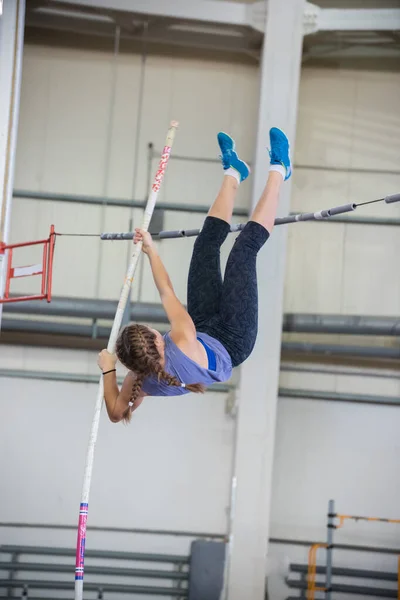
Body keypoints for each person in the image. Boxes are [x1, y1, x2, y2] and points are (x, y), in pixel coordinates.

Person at [98, 127, 291, 423]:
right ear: (158, 341)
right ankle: (279, 169)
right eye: (153, 332)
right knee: (244, 250)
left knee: (205, 246)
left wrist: (110, 372)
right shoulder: (180, 337)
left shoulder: (140, 382)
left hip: (203, 330)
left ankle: (234, 173)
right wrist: (151, 250)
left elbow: (116, 412)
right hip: (233, 339)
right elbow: (165, 291)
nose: (155, 331)